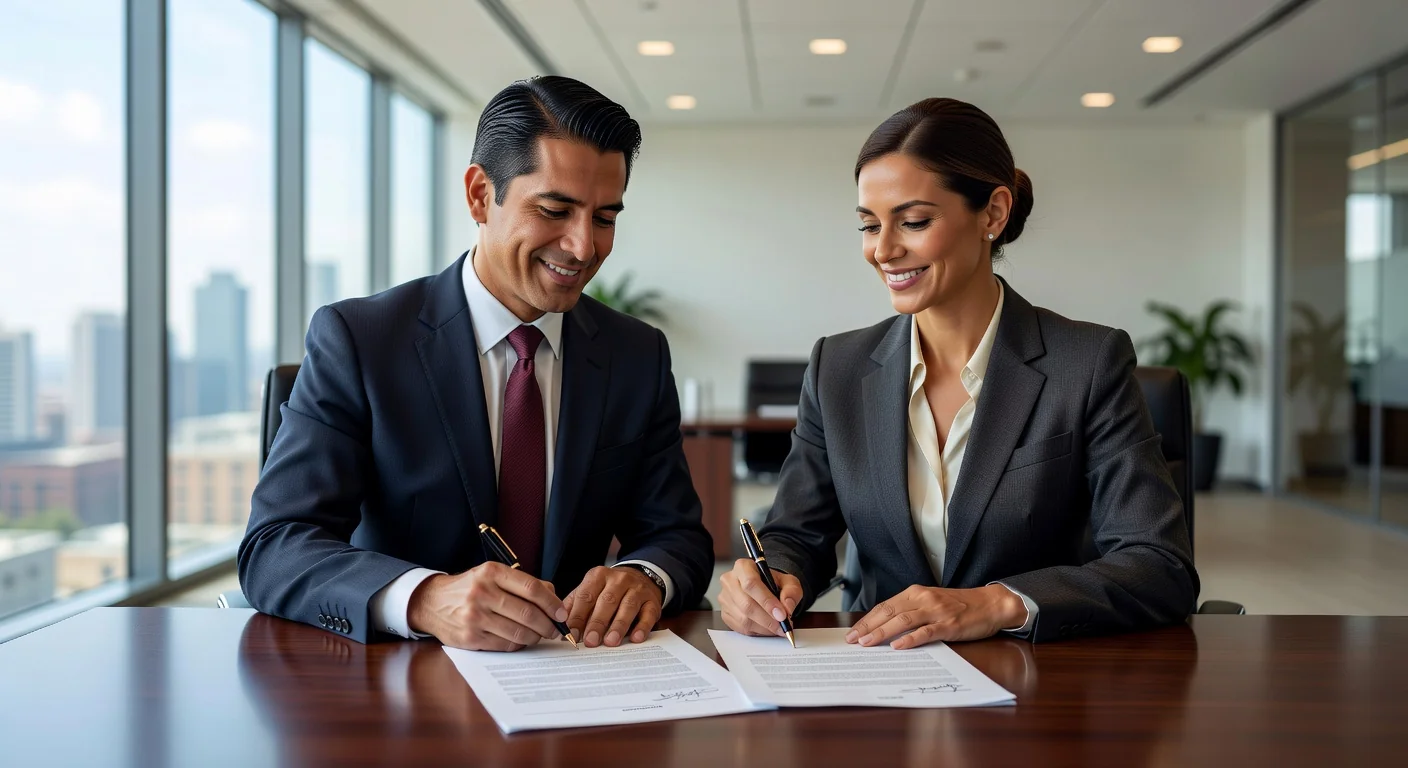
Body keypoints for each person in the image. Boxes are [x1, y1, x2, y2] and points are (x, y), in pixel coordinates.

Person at [239, 76, 712, 651]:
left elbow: (677, 535)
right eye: (555, 210)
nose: (584, 247)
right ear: (479, 195)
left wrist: (646, 577)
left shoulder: (636, 354)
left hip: (576, 683)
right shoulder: (360, 341)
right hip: (399, 691)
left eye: (605, 218)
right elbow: (276, 544)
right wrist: (423, 598)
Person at [718, 98, 1198, 646]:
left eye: (914, 221)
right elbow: (795, 533)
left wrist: (995, 604)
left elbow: (1160, 566)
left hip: (1038, 687)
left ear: (993, 213)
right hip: (880, 682)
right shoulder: (839, 368)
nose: (884, 250)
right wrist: (770, 577)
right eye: (869, 226)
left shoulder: (1086, 363)